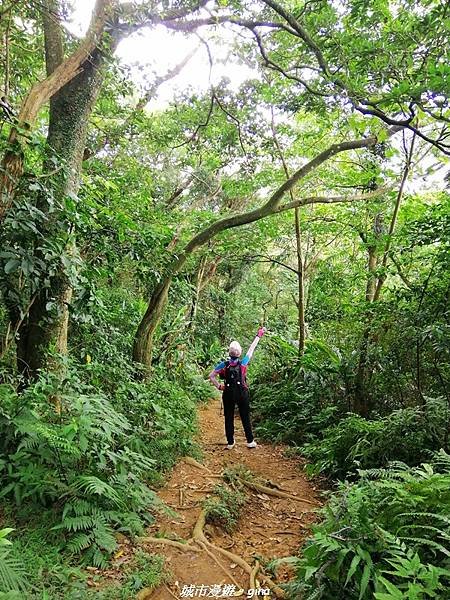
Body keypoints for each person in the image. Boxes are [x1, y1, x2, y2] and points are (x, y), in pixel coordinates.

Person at [209, 327, 266, 449]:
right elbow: (251, 349)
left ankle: (230, 442)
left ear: (229, 353)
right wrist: (258, 335)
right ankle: (250, 441)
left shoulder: (223, 365)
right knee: (245, 416)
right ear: (239, 353)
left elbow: (211, 376)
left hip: (228, 393)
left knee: (228, 417)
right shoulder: (243, 363)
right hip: (242, 393)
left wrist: (219, 386)